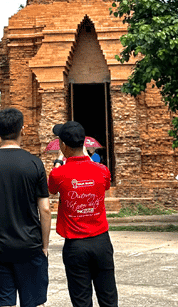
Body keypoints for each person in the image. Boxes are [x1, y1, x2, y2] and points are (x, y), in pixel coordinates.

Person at [0, 107, 51, 307]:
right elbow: (46, 209)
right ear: (22, 130)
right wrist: (45, 245)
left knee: (3, 303)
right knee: (32, 302)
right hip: (30, 245)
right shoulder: (35, 164)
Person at [48, 121, 118, 307]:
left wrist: (57, 163)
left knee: (81, 301)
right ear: (85, 143)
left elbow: (52, 189)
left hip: (75, 245)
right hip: (101, 241)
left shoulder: (59, 174)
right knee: (109, 297)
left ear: (63, 145)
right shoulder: (102, 170)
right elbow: (105, 186)